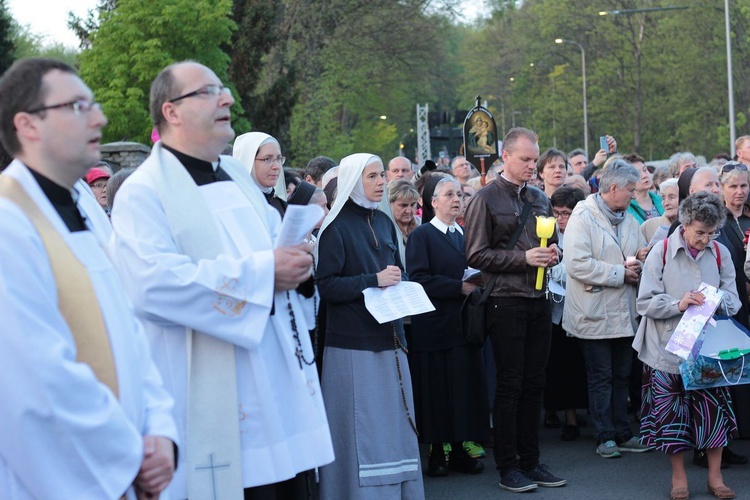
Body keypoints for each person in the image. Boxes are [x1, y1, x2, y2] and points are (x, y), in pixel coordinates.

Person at [109, 61, 333, 499]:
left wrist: (297, 261)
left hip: (275, 383)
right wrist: (265, 272)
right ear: (172, 112)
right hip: (211, 398)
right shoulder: (144, 191)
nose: (227, 98)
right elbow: (152, 285)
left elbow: (271, 246)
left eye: (224, 89)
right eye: (209, 92)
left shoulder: (234, 176)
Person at [0, 57, 178, 498]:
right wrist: (129, 455)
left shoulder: (86, 211)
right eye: (78, 106)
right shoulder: (9, 223)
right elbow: (37, 378)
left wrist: (160, 430)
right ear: (28, 125)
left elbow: (130, 333)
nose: (98, 117)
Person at [316, 153, 424, 499]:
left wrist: (404, 286)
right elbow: (327, 286)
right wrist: (372, 280)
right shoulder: (334, 227)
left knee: (393, 424)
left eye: (382, 176)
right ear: (353, 181)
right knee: (363, 427)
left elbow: (395, 269)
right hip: (352, 345)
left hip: (391, 338)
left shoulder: (383, 221)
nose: (381, 182)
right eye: (373, 176)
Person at [464, 127, 566, 493]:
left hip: (538, 299)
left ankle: (532, 461)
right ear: (504, 156)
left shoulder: (539, 198)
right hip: (504, 301)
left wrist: (554, 253)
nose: (531, 166)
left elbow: (553, 242)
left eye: (534, 159)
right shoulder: (485, 198)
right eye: (525, 159)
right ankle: (508, 466)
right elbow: (475, 255)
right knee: (510, 385)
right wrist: (522, 258)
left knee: (535, 384)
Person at [635, 192, 740, 500]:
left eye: (711, 233)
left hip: (707, 351)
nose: (705, 240)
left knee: (713, 415)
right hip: (664, 349)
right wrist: (679, 304)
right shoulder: (661, 251)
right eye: (699, 233)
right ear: (684, 224)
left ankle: (715, 477)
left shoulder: (720, 253)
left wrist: (715, 300)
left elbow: (733, 301)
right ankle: (678, 478)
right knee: (671, 417)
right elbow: (645, 302)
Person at [562, 159, 652, 459]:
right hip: (594, 312)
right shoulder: (582, 216)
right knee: (600, 376)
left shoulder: (628, 218)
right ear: (613, 188)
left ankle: (623, 432)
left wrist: (640, 259)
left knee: (621, 375)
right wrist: (619, 273)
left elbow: (634, 252)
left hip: (624, 312)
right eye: (629, 189)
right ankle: (605, 436)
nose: (632, 194)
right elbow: (576, 264)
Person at [406, 176, 488, 477]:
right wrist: (458, 287)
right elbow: (418, 279)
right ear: (433, 202)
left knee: (461, 391)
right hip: (434, 326)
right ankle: (437, 452)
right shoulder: (422, 235)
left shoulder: (464, 234)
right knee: (437, 391)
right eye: (449, 194)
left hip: (463, 326)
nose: (457, 199)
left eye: (460, 194)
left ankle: (459, 449)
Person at [543, 186, 589, 441]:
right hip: (554, 311)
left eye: (567, 213)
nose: (561, 218)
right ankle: (565, 416)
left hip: (579, 306)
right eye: (557, 213)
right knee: (559, 363)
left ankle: (579, 415)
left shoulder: (582, 233)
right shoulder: (547, 235)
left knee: (577, 364)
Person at [233, 131, 288, 217]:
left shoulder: (283, 207)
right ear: (248, 162)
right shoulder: (235, 206)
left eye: (278, 158)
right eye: (267, 159)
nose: (276, 166)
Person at [626, 153, 663, 224]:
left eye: (645, 170)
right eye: (637, 173)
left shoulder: (661, 200)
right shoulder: (626, 208)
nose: (644, 175)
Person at [641, 178, 678, 243]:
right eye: (663, 198)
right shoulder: (648, 227)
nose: (666, 203)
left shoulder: (694, 226)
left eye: (671, 197)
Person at [389, 179, 421, 248]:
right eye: (403, 205)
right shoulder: (386, 230)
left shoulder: (421, 224)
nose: (409, 211)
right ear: (390, 203)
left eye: (412, 205)